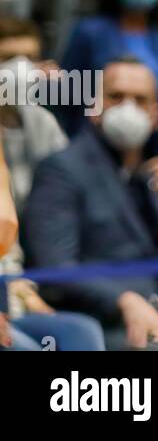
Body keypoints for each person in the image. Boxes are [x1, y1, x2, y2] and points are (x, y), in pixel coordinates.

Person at [25, 58, 158, 350]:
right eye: (116, 97)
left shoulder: (153, 179)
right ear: (94, 108)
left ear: (156, 116)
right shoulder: (62, 169)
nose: (128, 107)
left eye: (140, 100)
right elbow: (54, 268)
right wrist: (122, 299)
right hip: (103, 328)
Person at [0, 35, 106, 351]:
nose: (20, 67)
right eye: (9, 57)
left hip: (12, 279)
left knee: (81, 332)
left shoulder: (41, 122)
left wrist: (22, 290)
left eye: (29, 58)